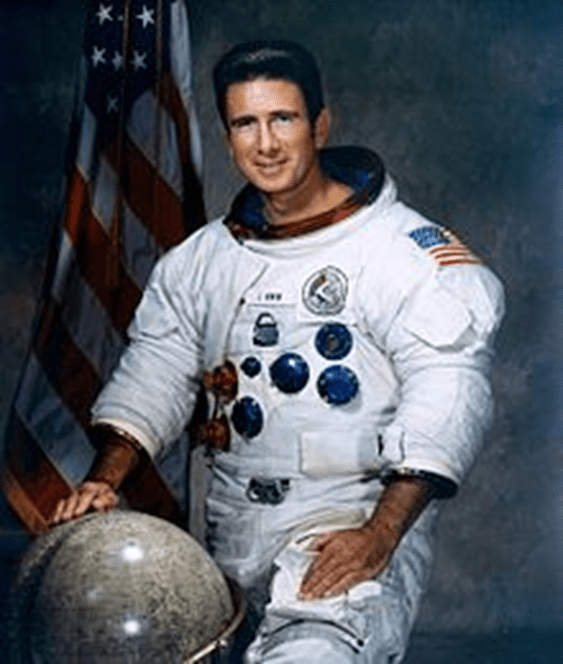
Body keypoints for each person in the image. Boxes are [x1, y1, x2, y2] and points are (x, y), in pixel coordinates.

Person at [51, 40, 505, 663]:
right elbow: (155, 371)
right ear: (229, 136)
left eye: (283, 119)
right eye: (246, 123)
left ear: (320, 125)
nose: (265, 144)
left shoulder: (402, 253)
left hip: (347, 531)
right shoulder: (201, 262)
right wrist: (104, 481)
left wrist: (381, 534)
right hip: (230, 538)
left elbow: (448, 391)